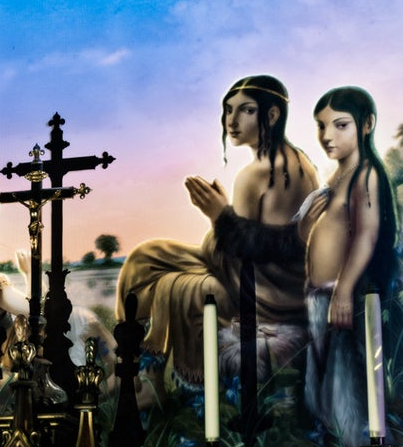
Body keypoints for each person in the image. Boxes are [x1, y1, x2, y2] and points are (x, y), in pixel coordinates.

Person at [208, 84, 399, 447]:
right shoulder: (336, 177)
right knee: (319, 387)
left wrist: (344, 290)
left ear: (367, 125)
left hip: (343, 297)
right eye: (321, 126)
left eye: (340, 125)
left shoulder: (366, 175)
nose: (327, 136)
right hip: (317, 298)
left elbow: (366, 235)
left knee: (346, 385)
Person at [119, 75, 317, 385]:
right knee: (146, 257)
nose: (232, 121)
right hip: (241, 269)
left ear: (273, 115)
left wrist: (219, 216)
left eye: (246, 110)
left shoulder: (266, 171)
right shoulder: (280, 163)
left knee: (175, 284)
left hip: (264, 292)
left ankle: (146, 377)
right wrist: (221, 220)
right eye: (228, 110)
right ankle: (133, 363)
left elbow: (268, 251)